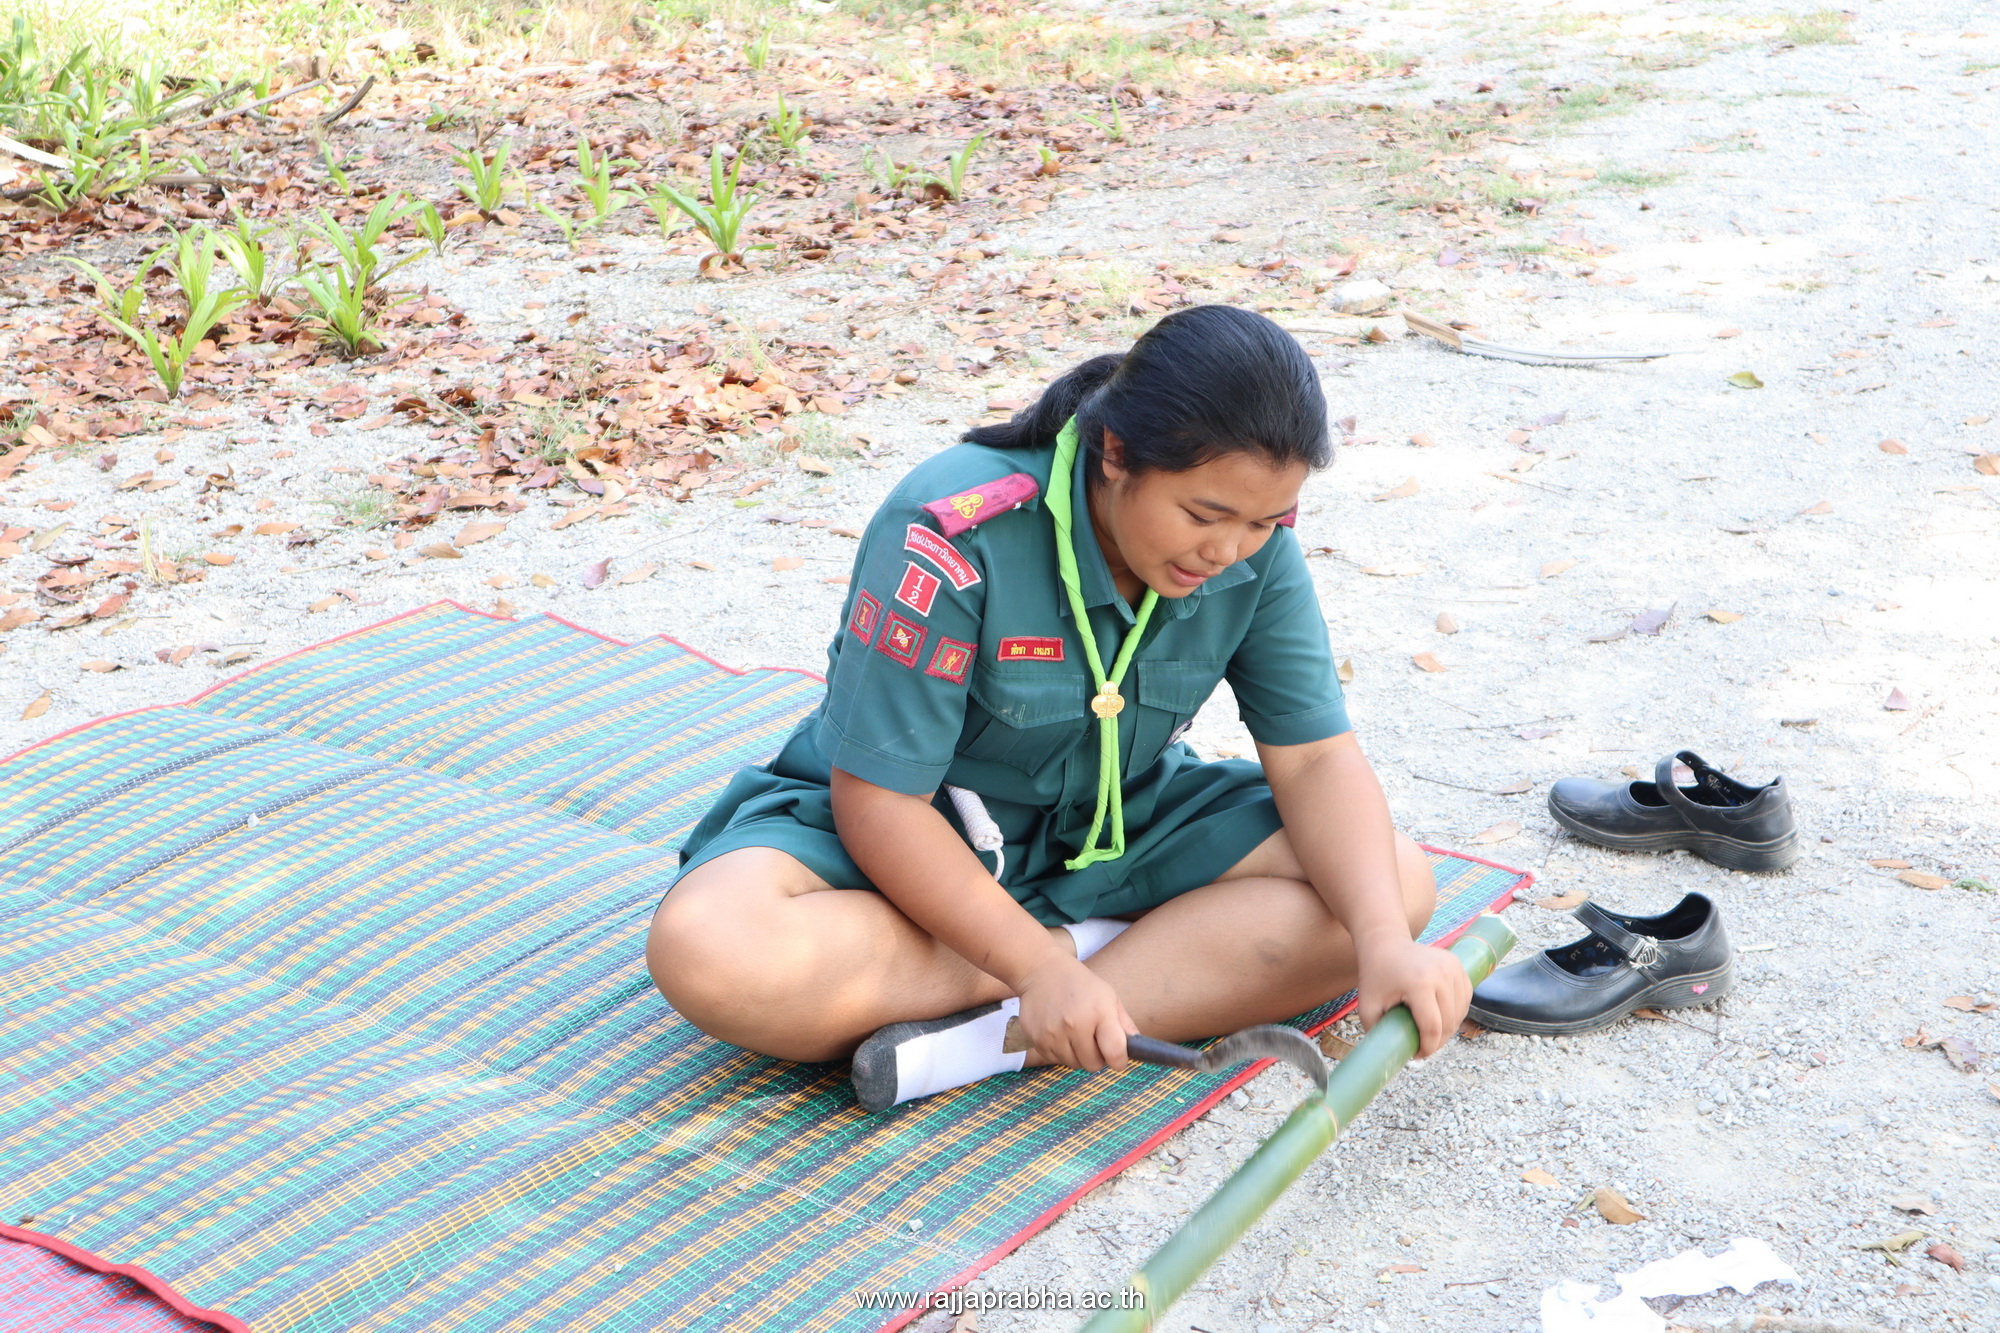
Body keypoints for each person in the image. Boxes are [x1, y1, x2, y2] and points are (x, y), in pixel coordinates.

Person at [649, 304, 1470, 1112]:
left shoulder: (1253, 550)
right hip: (917, 840)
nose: (1227, 551)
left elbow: (1316, 758)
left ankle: (994, 1040)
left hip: (1117, 830)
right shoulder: (951, 530)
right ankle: (1091, 966)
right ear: (1117, 453)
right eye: (1203, 515)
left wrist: (1384, 946)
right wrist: (1037, 966)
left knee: (1391, 887)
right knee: (712, 948)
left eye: (1265, 520)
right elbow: (881, 805)